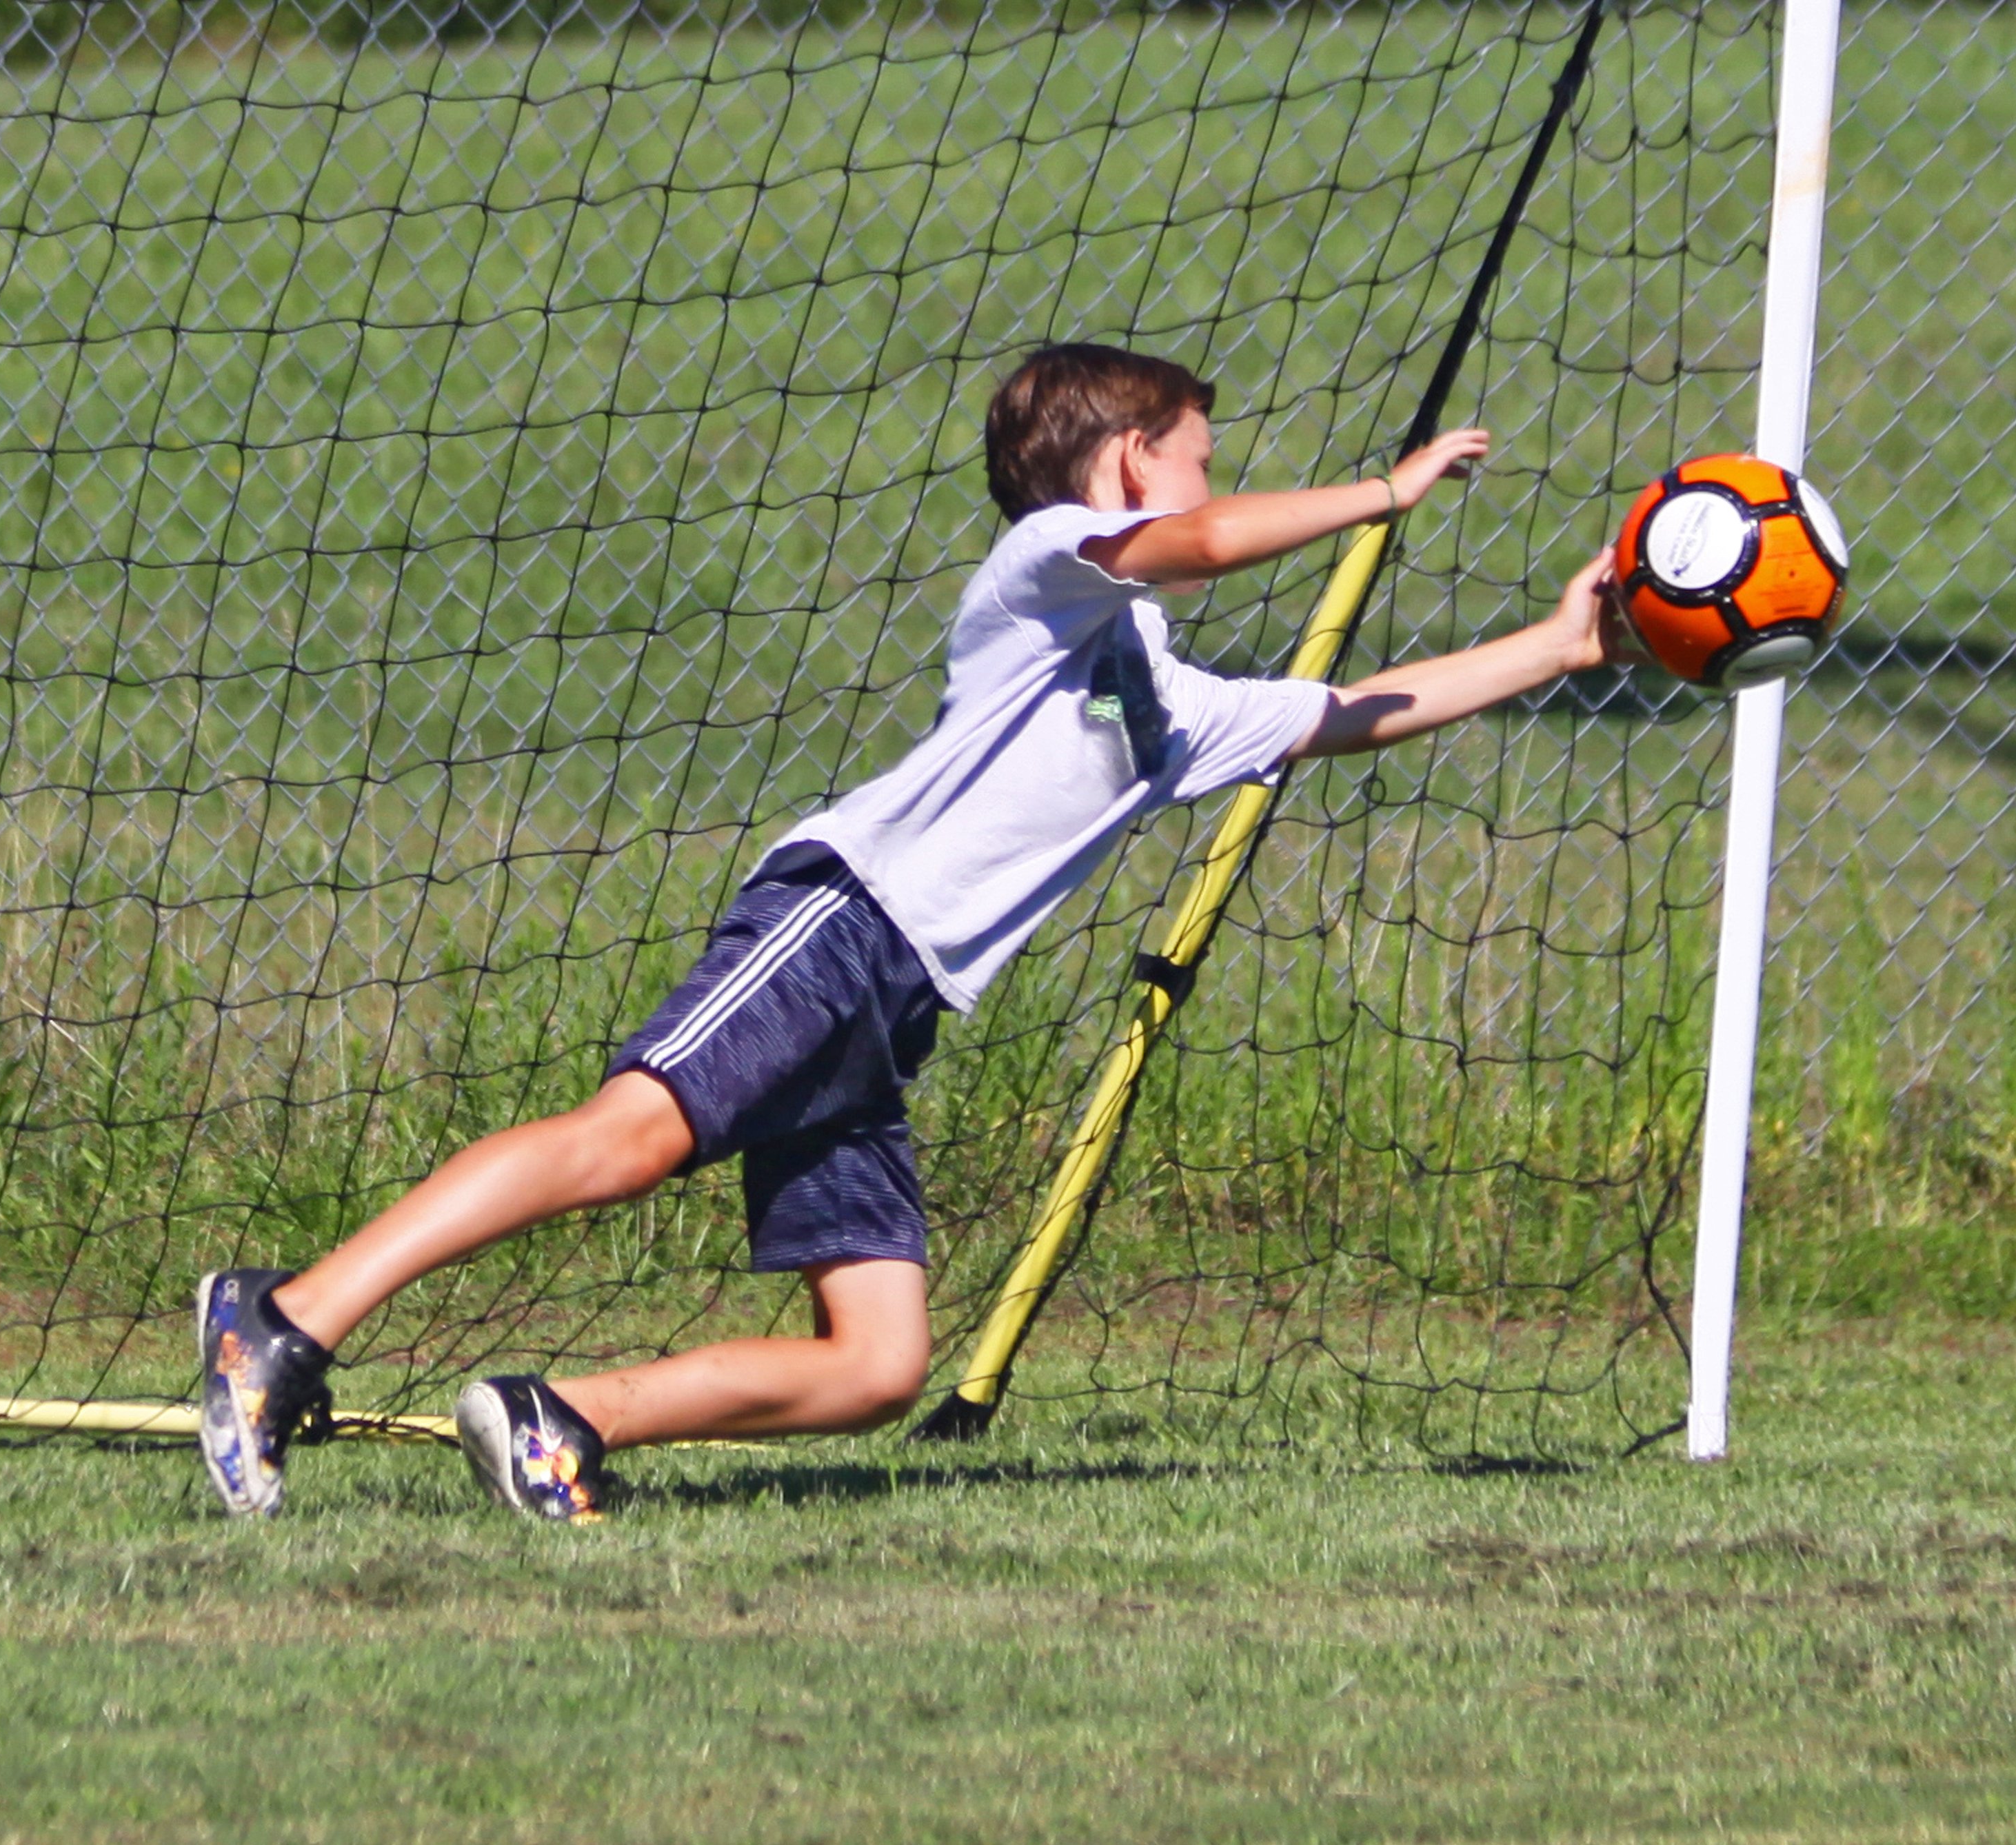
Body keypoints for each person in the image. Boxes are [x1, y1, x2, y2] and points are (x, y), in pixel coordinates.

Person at [196, 342, 1625, 1519]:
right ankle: (284, 1320)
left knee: (879, 1364)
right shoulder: (1049, 565)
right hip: (833, 925)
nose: (1207, 475)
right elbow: (1196, 538)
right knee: (623, 1139)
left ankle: (562, 1419)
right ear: (1128, 458)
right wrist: (1381, 491)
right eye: (1197, 446)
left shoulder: (1166, 703)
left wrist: (1560, 648)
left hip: (895, 1006)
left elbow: (1357, 711)